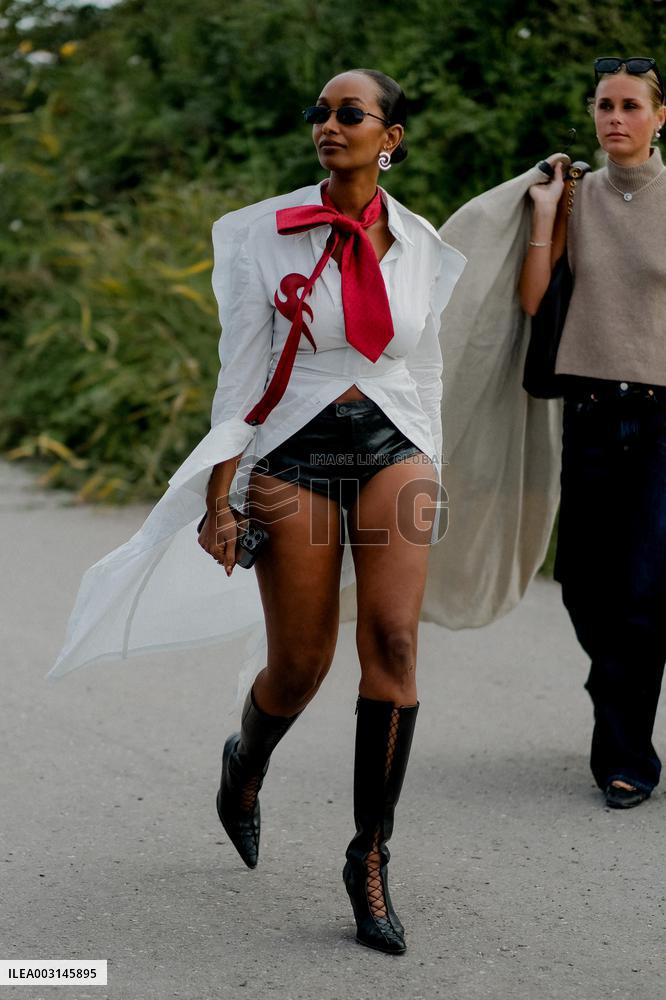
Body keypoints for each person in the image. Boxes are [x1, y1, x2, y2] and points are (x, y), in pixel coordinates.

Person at [192, 67, 467, 954]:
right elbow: (240, 373)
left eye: (349, 113)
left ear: (390, 136)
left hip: (397, 446)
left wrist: (435, 470)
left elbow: (425, 370)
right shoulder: (265, 237)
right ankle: (246, 762)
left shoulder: (425, 246)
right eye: (319, 112)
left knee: (392, 641)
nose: (327, 124)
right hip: (295, 449)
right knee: (299, 666)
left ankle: (370, 857)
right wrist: (220, 494)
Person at [519, 57, 666, 809]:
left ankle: (626, 759)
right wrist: (547, 217)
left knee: (640, 592)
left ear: (659, 117)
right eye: (605, 105)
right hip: (588, 415)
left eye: (631, 105)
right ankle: (622, 671)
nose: (616, 118)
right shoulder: (573, 194)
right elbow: (534, 299)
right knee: (582, 585)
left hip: (662, 417)